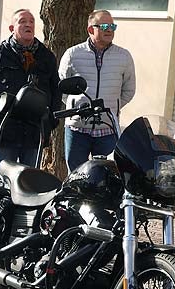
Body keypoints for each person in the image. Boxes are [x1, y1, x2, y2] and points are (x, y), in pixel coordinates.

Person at [0, 8, 60, 171]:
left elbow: (56, 91)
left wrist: (50, 122)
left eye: (31, 21)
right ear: (12, 28)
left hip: (35, 133)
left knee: (29, 184)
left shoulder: (46, 57)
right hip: (7, 131)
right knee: (2, 184)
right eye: (22, 21)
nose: (28, 25)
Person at [58, 9, 136, 171]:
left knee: (108, 176)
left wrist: (111, 107)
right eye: (104, 26)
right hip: (77, 129)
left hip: (108, 129)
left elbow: (129, 89)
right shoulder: (73, 54)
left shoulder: (124, 56)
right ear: (90, 29)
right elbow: (62, 87)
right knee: (76, 175)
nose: (109, 30)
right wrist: (76, 106)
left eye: (112, 27)